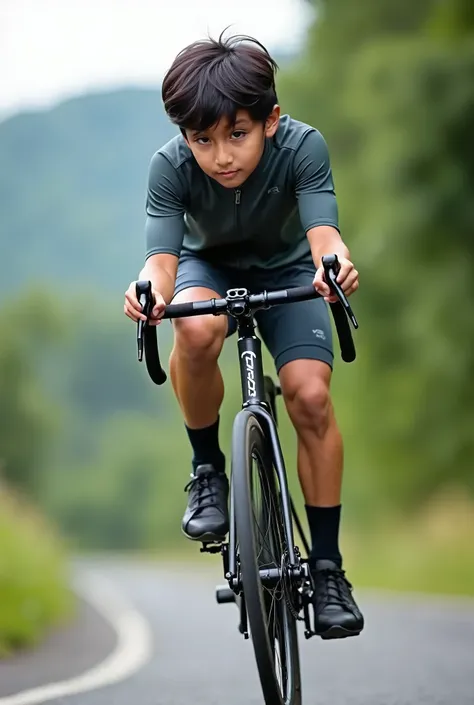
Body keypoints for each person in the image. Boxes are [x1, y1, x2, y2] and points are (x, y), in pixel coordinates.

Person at [124, 32, 364, 639]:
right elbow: (162, 262)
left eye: (238, 133)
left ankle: (329, 568)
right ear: (185, 136)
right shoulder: (170, 168)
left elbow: (324, 236)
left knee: (309, 396)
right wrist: (147, 291)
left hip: (289, 272)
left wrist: (333, 266)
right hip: (208, 272)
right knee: (197, 328)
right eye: (202, 140)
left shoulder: (304, 147)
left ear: (271, 121)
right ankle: (208, 470)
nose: (221, 155)